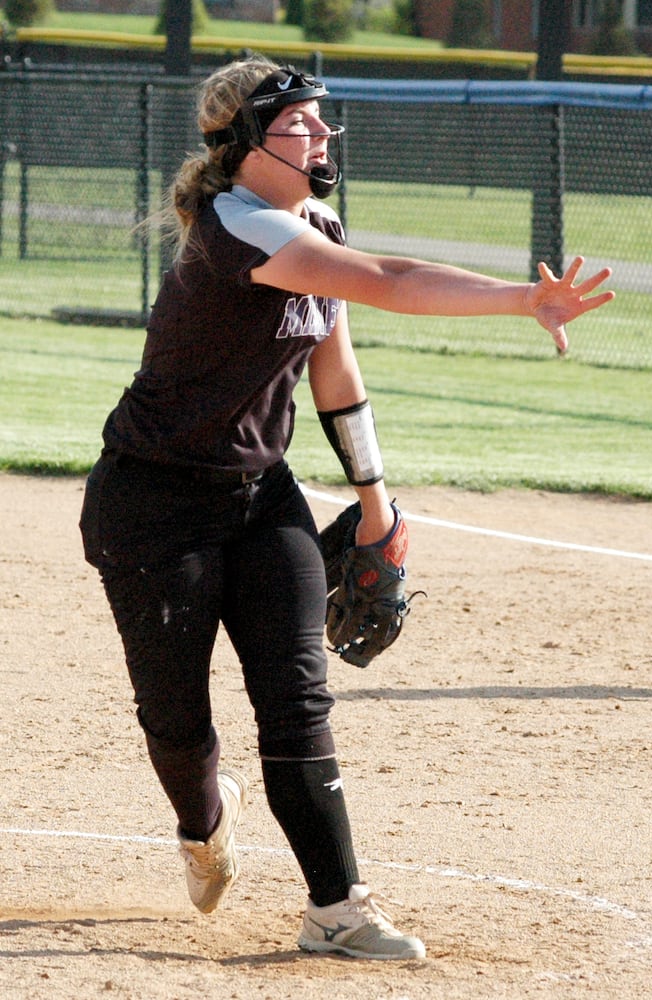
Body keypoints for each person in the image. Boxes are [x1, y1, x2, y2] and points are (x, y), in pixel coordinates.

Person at [78, 56, 613, 957]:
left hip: (260, 499)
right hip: (153, 502)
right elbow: (391, 278)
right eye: (301, 124)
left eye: (325, 122)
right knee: (178, 722)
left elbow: (334, 366)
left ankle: (337, 908)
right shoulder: (236, 228)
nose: (323, 136)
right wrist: (524, 297)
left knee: (295, 698)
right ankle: (205, 822)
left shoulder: (309, 223)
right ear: (247, 144)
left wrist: (375, 502)